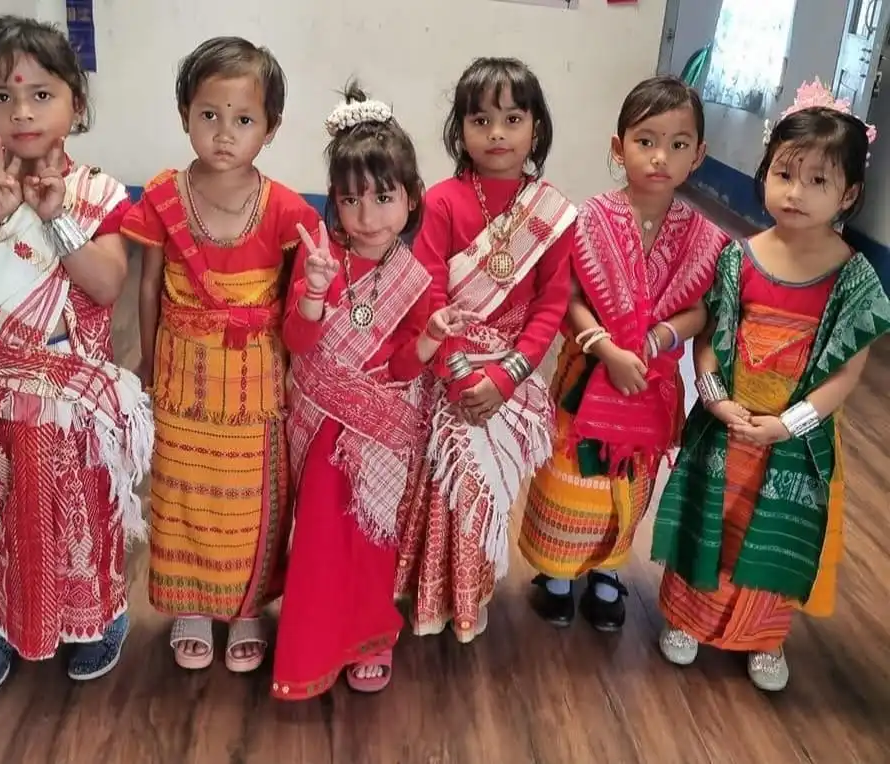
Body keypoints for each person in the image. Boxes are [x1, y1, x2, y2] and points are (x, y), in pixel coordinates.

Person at [0, 15, 151, 691]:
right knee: (7, 505)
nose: (21, 111)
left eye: (41, 94)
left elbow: (106, 283)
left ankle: (103, 614)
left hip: (72, 389)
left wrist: (57, 217)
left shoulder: (99, 193)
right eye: (2, 96)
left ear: (75, 105)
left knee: (84, 503)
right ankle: (6, 618)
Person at [651, 78, 888, 691]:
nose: (796, 192)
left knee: (775, 534)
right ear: (765, 173)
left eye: (818, 180)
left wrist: (791, 423)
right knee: (711, 519)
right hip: (727, 427)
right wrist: (715, 399)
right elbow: (711, 337)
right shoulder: (738, 257)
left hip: (795, 440)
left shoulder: (854, 279)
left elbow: (847, 372)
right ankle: (687, 619)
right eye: (784, 174)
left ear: (848, 193)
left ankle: (763, 636)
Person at [121, 37, 320, 672]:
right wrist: (146, 363)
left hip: (254, 387)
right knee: (182, 491)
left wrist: (299, 373)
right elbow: (149, 285)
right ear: (185, 113)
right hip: (182, 378)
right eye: (209, 114)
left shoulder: (286, 208)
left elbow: (299, 303)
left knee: (251, 499)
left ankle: (247, 608)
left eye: (244, 119)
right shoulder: (163, 197)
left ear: (271, 128)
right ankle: (191, 606)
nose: (224, 133)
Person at [272, 84, 477, 698]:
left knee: (371, 539)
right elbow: (298, 341)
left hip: (380, 434)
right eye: (351, 199)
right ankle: (311, 649)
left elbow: (404, 369)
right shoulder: (319, 259)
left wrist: (431, 336)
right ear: (334, 200)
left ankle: (370, 638)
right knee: (319, 540)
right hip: (320, 431)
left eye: (384, 197)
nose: (367, 216)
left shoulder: (414, 279)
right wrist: (313, 291)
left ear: (411, 198)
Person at [518, 76, 729, 631]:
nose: (661, 157)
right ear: (619, 147)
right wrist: (607, 347)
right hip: (587, 376)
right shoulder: (586, 220)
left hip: (649, 384)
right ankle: (557, 575)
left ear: (698, 155)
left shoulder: (703, 237)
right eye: (646, 141)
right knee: (573, 473)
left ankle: (608, 573)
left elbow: (700, 311)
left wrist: (658, 340)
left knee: (629, 481)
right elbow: (567, 299)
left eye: (678, 144)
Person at [395, 57, 577, 642]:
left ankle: (469, 598)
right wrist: (457, 376)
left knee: (482, 495)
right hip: (444, 374)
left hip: (508, 379)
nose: (497, 133)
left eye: (512, 119)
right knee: (436, 488)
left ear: (536, 128)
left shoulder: (552, 214)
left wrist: (503, 379)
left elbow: (551, 306)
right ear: (461, 130)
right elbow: (429, 292)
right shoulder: (443, 201)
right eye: (481, 120)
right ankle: (424, 595)